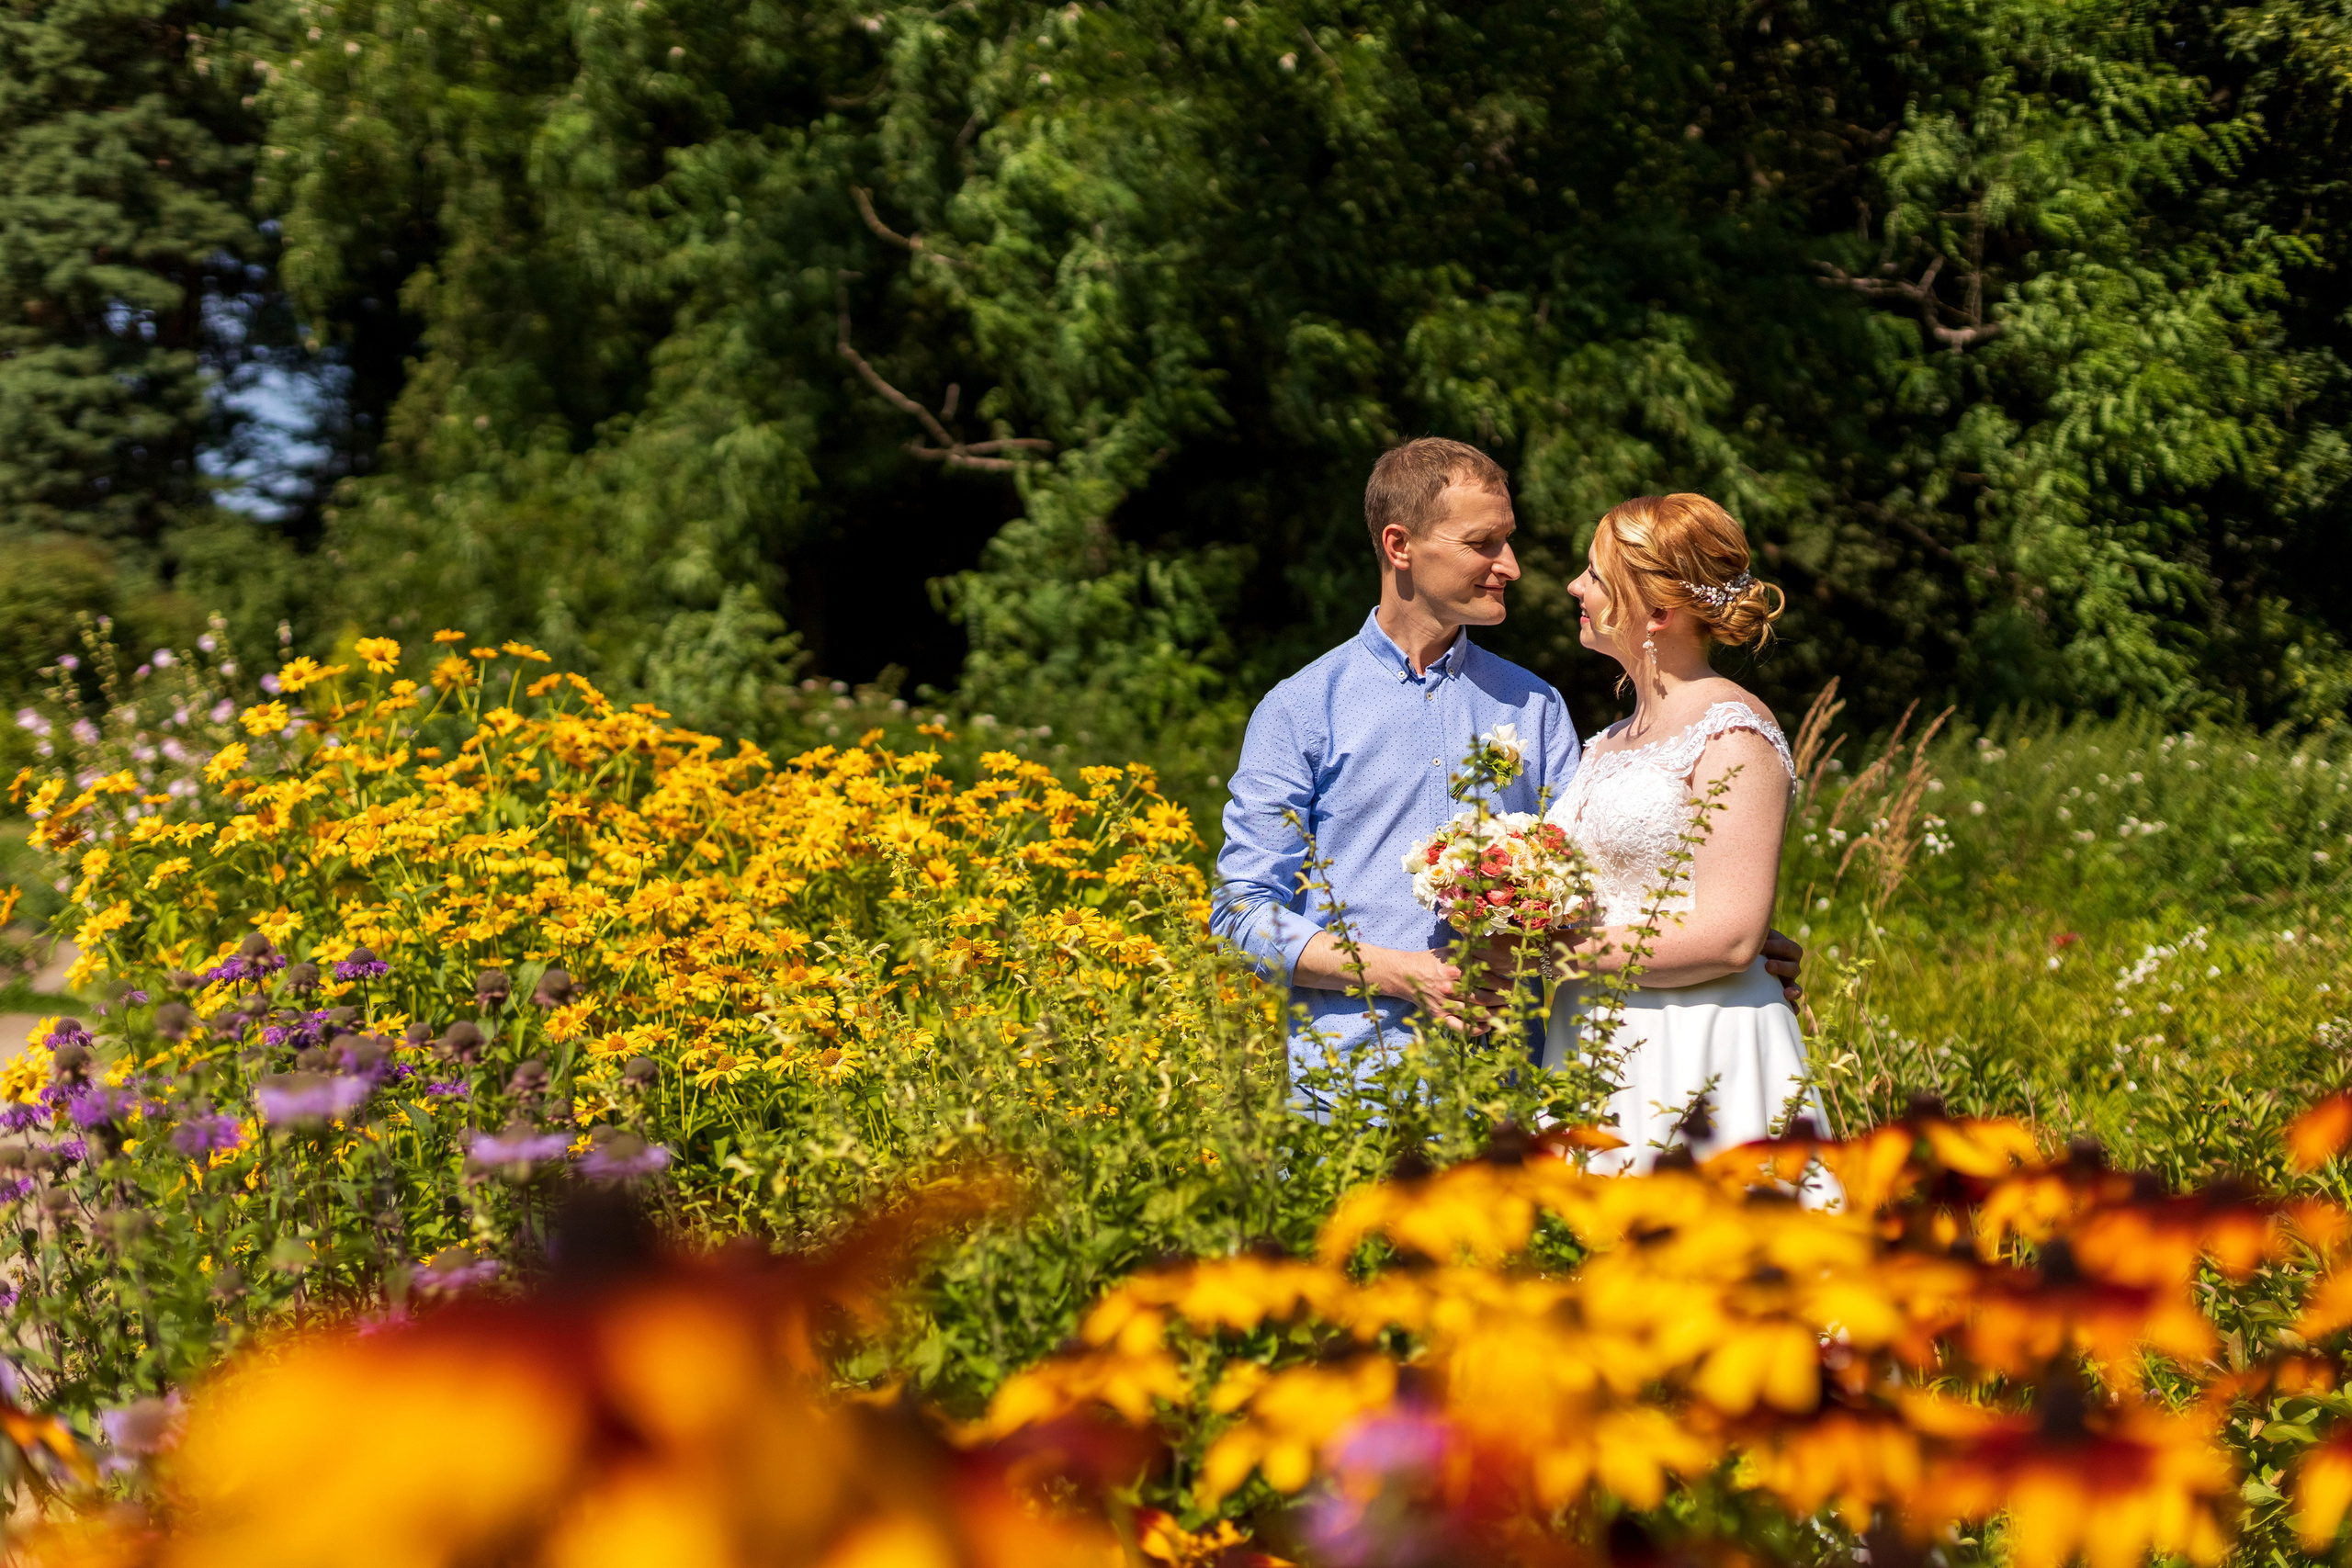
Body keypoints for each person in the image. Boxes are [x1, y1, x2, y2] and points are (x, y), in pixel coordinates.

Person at [1210, 440, 1800, 1105]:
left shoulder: (1537, 706)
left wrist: (1735, 940)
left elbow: (1597, 875)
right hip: (1351, 1088)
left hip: (1512, 1092)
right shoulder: (1301, 708)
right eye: (1484, 543)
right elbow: (1240, 911)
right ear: (1400, 545)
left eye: (1509, 540)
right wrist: (1402, 973)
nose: (1511, 566)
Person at [1539, 492, 1825, 1172]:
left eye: (1596, 575)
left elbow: (1730, 935)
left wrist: (1554, 951)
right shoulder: (1607, 740)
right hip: (1595, 1042)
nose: (1576, 586)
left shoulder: (1732, 729)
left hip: (1698, 1041)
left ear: (1658, 611)